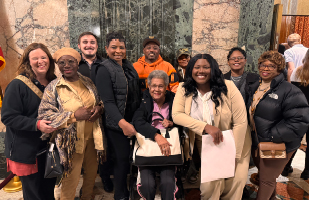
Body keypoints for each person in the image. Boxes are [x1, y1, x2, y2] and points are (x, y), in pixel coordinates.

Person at [172, 54, 251, 199]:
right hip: (209, 141)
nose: (201, 71)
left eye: (206, 67)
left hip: (235, 139)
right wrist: (206, 127)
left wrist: (235, 155)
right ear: (191, 69)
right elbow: (177, 115)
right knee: (210, 186)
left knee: (235, 182)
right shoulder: (184, 88)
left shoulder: (228, 86)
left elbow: (241, 122)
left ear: (213, 69)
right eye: (197, 67)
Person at [37, 47, 106, 200]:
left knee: (92, 173)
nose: (66, 65)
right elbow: (45, 116)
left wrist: (99, 108)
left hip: (93, 138)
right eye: (62, 63)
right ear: (57, 65)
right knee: (71, 178)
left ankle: (87, 196)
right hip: (70, 142)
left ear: (77, 62)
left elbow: (98, 100)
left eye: (70, 62)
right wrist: (74, 115)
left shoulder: (87, 82)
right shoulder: (53, 87)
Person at [247, 51, 309, 199]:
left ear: (279, 68)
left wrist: (271, 135)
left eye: (271, 66)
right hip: (258, 142)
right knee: (265, 176)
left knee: (266, 180)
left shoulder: (290, 91)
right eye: (263, 65)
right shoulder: (255, 86)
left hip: (277, 144)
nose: (265, 68)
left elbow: (299, 122)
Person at [1, 43, 57, 200]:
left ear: (49, 60)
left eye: (43, 57)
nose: (40, 61)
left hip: (49, 148)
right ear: (27, 61)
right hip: (27, 150)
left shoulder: (54, 82)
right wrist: (37, 124)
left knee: (48, 191)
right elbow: (8, 117)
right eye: (35, 58)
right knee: (33, 194)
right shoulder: (17, 85)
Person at [95, 31, 140, 200]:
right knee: (121, 159)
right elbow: (107, 102)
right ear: (106, 49)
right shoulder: (104, 68)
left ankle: (132, 189)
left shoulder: (128, 66)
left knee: (130, 158)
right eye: (113, 47)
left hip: (132, 119)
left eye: (121, 47)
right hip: (116, 123)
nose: (118, 51)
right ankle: (120, 195)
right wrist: (123, 123)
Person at [77, 31, 113, 192]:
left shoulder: (106, 64)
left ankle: (105, 177)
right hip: (81, 116)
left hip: (103, 113)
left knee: (103, 147)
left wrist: (101, 107)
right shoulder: (74, 65)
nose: (88, 45)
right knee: (84, 149)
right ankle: (86, 181)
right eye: (85, 42)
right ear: (79, 46)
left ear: (97, 46)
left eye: (92, 42)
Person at [133, 70, 177, 200]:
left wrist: (172, 123)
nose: (156, 89)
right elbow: (138, 122)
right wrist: (157, 136)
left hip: (168, 149)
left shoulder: (174, 99)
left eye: (160, 86)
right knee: (147, 184)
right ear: (149, 86)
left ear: (166, 87)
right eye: (153, 86)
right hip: (148, 147)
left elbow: (183, 121)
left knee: (168, 183)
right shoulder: (142, 99)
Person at [291, 49, 309, 180]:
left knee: (295, 140)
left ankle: (285, 167)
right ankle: (307, 172)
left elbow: (293, 94)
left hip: (299, 111)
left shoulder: (298, 71)